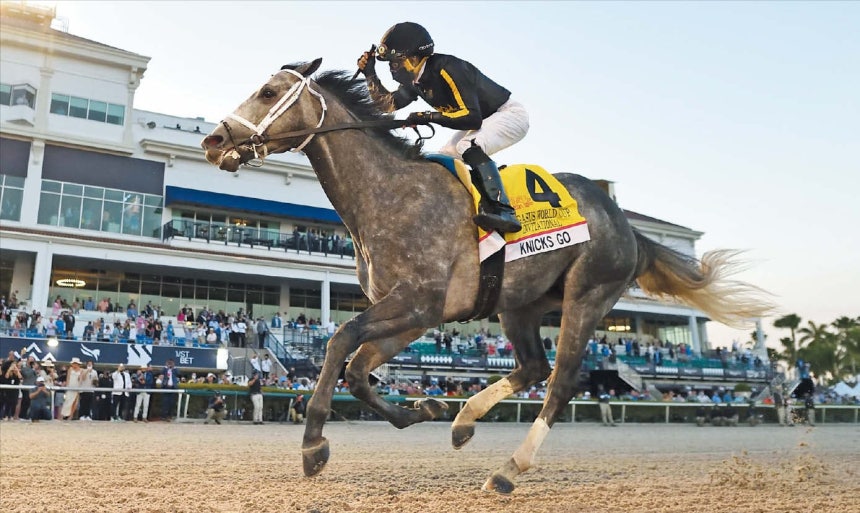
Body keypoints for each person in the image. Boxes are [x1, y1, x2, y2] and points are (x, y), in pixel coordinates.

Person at [357, 21, 527, 234]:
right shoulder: (415, 81)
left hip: (508, 114)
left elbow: (471, 118)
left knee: (468, 145)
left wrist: (426, 116)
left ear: (414, 58)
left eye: (395, 62)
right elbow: (387, 104)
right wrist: (370, 74)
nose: (392, 68)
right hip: (485, 121)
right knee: (442, 159)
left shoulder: (448, 67)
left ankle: (503, 210)